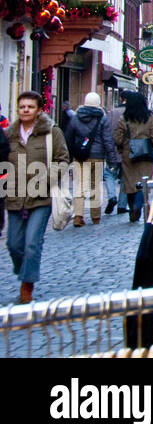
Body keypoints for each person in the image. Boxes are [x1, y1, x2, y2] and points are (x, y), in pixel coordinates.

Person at [5, 90, 68, 303]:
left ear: (39, 110)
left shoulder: (51, 132)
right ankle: (23, 270)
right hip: (14, 196)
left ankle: (27, 287)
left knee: (32, 243)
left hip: (41, 197)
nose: (25, 110)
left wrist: (46, 180)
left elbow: (62, 159)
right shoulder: (9, 134)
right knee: (14, 245)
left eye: (30, 107)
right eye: (22, 107)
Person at [64, 92, 117, 227]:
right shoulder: (102, 118)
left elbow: (68, 138)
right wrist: (112, 159)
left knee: (79, 186)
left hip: (80, 156)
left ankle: (78, 216)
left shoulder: (76, 118)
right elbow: (107, 140)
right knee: (95, 187)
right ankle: (95, 216)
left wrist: (69, 156)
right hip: (97, 157)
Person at [113, 91, 153, 223]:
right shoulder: (150, 117)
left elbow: (117, 137)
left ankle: (132, 208)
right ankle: (137, 205)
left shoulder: (124, 118)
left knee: (129, 183)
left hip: (128, 154)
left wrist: (122, 147)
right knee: (143, 182)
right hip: (146, 154)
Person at [104, 102, 125, 215]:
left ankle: (112, 196)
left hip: (113, 151)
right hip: (126, 152)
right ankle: (122, 205)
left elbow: (106, 132)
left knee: (109, 174)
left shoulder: (111, 113)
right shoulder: (131, 113)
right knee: (125, 177)